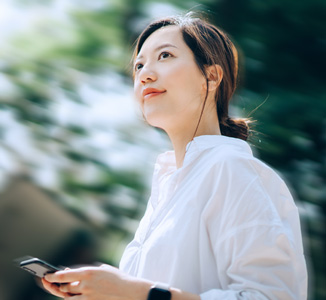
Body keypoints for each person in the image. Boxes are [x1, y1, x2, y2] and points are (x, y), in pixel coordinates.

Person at [42, 12, 308, 300]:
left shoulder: (230, 170)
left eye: (165, 56)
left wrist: (140, 293)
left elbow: (272, 296)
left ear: (211, 76)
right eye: (139, 65)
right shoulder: (168, 189)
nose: (144, 74)